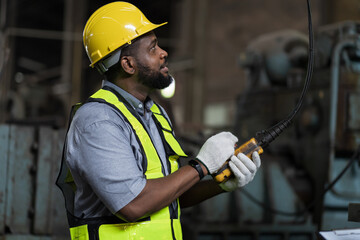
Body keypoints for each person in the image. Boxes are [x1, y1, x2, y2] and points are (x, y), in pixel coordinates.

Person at [56, 2, 261, 240]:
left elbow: (169, 195)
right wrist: (201, 166)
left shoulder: (154, 114)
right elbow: (133, 204)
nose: (163, 53)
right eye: (152, 48)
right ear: (128, 64)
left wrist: (221, 184)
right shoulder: (98, 121)